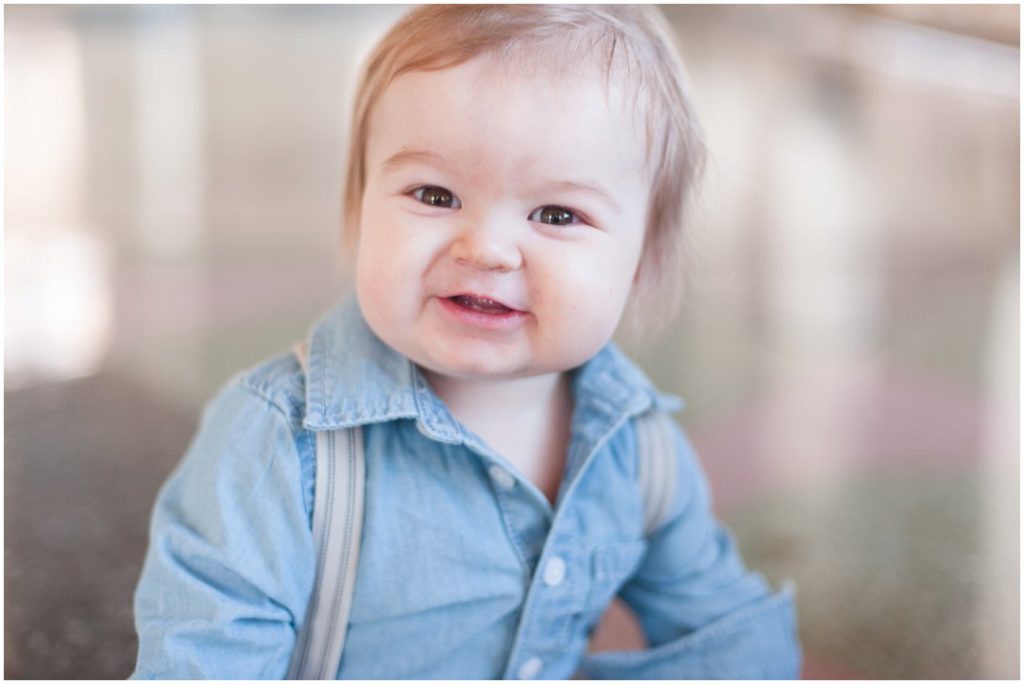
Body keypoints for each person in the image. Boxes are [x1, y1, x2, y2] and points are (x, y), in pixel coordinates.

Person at [131, 5, 802, 679]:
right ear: (359, 207)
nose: (484, 248)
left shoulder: (640, 452)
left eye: (557, 214)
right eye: (434, 194)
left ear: (641, 261)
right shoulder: (280, 445)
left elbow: (732, 641)